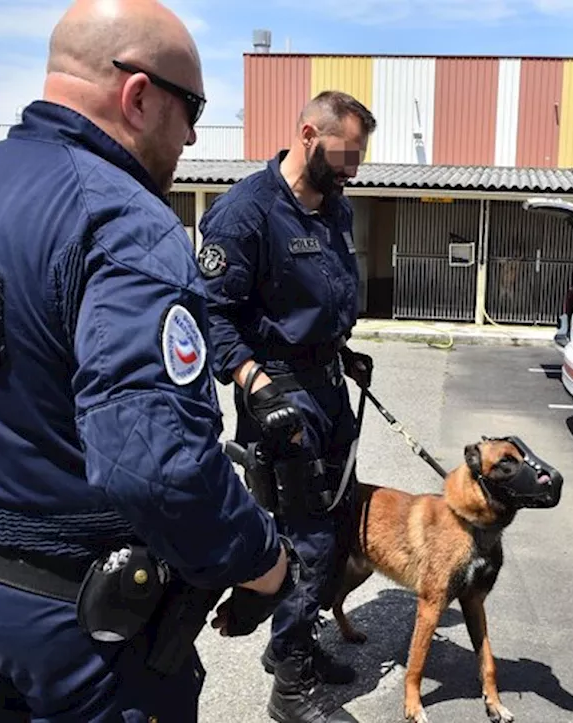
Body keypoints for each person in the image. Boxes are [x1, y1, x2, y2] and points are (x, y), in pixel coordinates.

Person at [0, 1, 296, 720]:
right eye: (191, 108)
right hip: (78, 625)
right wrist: (262, 558)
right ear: (139, 93)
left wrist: (11, 442)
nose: (190, 133)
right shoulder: (124, 222)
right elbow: (155, 463)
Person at [198, 90, 377, 723]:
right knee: (304, 535)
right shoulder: (244, 214)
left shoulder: (335, 208)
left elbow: (325, 295)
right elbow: (212, 315)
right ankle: (290, 686)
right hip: (278, 393)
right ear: (307, 133)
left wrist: (341, 351)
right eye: (346, 153)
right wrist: (255, 384)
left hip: (327, 382)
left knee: (335, 519)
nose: (354, 167)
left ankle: (297, 643)